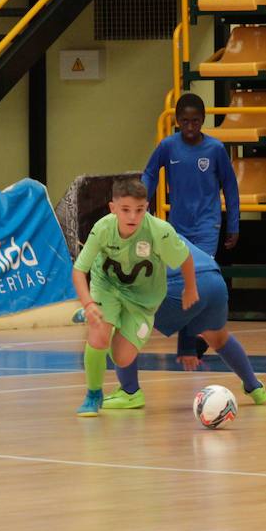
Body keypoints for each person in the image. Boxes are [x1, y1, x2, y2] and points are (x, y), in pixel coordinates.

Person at [88, 236, 266, 408]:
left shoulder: (122, 243)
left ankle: (129, 392)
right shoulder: (155, 228)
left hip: (177, 284)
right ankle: (255, 387)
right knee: (217, 338)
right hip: (213, 279)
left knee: (121, 319)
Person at [72, 178, 196, 417]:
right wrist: (88, 303)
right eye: (126, 210)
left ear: (147, 207)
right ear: (113, 208)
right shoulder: (102, 229)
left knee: (121, 356)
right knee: (98, 336)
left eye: (139, 210)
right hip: (107, 287)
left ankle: (110, 319)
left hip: (143, 300)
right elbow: (79, 270)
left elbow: (185, 259)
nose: (132, 217)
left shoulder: (160, 232)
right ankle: (93, 394)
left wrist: (190, 288)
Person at [142, 92, 241, 368]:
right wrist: (143, 204)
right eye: (184, 121)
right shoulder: (167, 147)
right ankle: (193, 343)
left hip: (208, 226)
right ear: (176, 121)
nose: (189, 127)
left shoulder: (215, 149)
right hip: (178, 227)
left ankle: (190, 346)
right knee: (184, 285)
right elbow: (150, 174)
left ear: (203, 120)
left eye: (195, 121)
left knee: (196, 281)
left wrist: (233, 223)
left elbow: (230, 188)